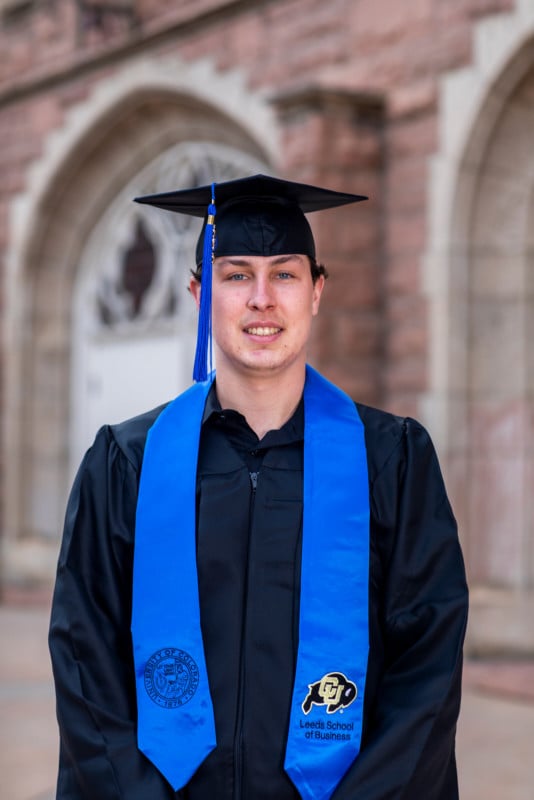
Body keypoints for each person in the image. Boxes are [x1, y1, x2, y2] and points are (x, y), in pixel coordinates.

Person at [49, 174, 468, 800]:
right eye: (236, 274)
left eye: (286, 274)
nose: (262, 298)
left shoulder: (394, 460)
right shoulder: (125, 463)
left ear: (317, 291)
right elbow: (86, 658)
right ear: (199, 293)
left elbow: (427, 672)